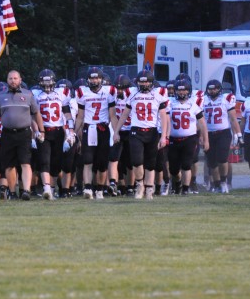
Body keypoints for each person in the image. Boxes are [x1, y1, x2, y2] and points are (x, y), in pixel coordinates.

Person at [0, 70, 44, 200]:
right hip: (7, 133)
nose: (13, 81)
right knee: (9, 165)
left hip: (24, 133)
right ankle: (12, 192)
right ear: (7, 80)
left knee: (25, 163)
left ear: (20, 80)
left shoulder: (28, 94)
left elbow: (36, 113)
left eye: (15, 78)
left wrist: (41, 130)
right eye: (10, 78)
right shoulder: (0, 96)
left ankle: (26, 191)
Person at [113, 70, 169, 200]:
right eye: (141, 81)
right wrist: (116, 131)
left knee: (150, 163)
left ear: (151, 82)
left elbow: (164, 117)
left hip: (152, 131)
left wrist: (163, 136)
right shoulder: (132, 94)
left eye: (146, 81)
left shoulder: (158, 95)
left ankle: (149, 188)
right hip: (136, 131)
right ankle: (139, 185)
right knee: (137, 162)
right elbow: (125, 114)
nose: (143, 83)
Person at [75, 66, 118, 199]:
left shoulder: (109, 91)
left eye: (96, 77)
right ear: (87, 79)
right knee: (87, 161)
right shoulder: (82, 92)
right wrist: (75, 132)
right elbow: (80, 116)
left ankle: (100, 190)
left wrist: (116, 132)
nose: (94, 80)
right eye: (92, 78)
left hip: (103, 129)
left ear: (101, 79)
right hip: (89, 128)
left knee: (102, 163)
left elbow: (113, 115)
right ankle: (88, 188)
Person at [32, 69, 73, 200]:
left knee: (56, 163)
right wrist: (37, 131)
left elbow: (67, 113)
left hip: (58, 131)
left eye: (49, 83)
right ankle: (47, 188)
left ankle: (53, 189)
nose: (47, 87)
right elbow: (32, 116)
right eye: (44, 84)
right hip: (44, 131)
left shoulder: (62, 93)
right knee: (44, 161)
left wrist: (70, 130)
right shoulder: (36, 94)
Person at [166, 77, 207, 195]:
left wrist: (205, 139)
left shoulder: (193, 104)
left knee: (186, 165)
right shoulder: (170, 103)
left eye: (184, 90)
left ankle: (185, 189)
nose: (181, 92)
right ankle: (178, 183)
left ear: (189, 91)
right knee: (173, 169)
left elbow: (202, 123)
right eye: (179, 90)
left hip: (189, 139)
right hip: (174, 139)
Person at [202, 79, 241, 193]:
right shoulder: (202, 100)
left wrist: (238, 134)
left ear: (219, 89)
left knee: (222, 159)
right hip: (208, 133)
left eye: (215, 88)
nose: (212, 91)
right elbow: (199, 119)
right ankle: (217, 184)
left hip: (223, 132)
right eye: (210, 89)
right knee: (212, 162)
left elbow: (233, 119)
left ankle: (224, 182)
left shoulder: (226, 99)